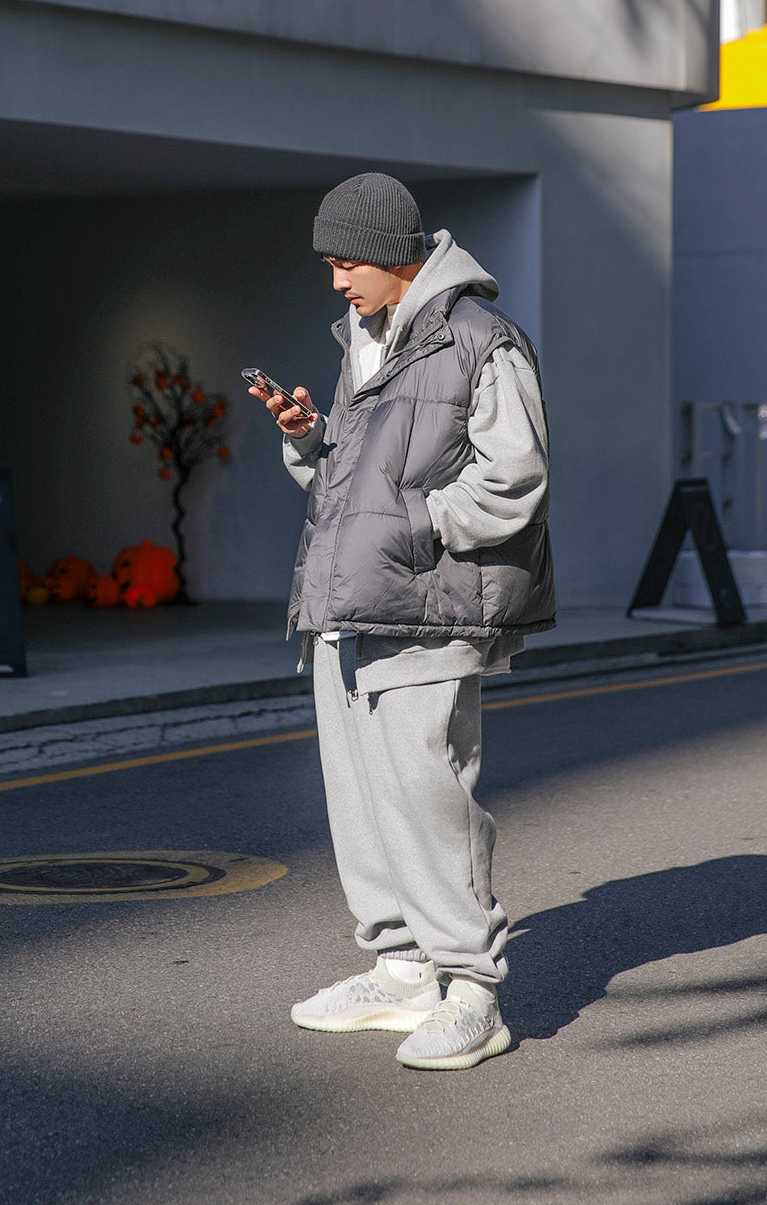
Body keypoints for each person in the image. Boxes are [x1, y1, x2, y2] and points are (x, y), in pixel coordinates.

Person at [247, 172, 555, 1070]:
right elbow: (355, 488)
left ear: (393, 254)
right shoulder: (366, 345)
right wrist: (310, 440)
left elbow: (515, 480)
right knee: (363, 799)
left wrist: (420, 526)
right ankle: (401, 968)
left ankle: (472, 992)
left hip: (429, 607)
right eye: (330, 265)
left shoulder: (479, 341)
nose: (336, 281)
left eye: (346, 263)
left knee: (428, 798)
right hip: (353, 607)